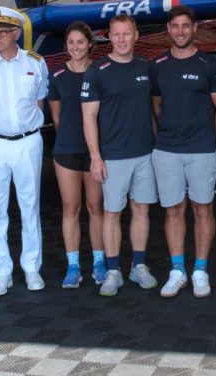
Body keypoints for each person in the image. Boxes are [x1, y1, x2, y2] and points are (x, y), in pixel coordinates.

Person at [0, 7, 49, 296]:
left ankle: (31, 268)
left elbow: (39, 102)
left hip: (28, 141)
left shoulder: (35, 62)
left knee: (30, 206)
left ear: (16, 33)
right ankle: (2, 271)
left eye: (3, 32)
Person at [150, 5, 216, 298]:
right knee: (173, 211)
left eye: (186, 26)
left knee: (203, 209)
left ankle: (200, 270)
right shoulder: (157, 65)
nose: (180, 31)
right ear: (168, 30)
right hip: (167, 150)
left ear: (195, 28)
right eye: (175, 26)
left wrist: (207, 137)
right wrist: (166, 137)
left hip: (202, 150)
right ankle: (177, 270)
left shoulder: (210, 65)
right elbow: (156, 106)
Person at [82, 15, 160, 296]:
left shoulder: (145, 67)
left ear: (136, 35)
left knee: (141, 209)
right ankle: (113, 270)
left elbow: (153, 110)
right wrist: (95, 156)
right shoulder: (97, 70)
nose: (122, 39)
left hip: (145, 154)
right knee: (112, 213)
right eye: (116, 35)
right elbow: (88, 117)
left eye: (127, 34)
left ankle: (138, 266)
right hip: (113, 156)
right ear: (109, 37)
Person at [47, 21, 106, 289]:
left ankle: (98, 262)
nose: (75, 47)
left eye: (80, 42)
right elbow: (58, 119)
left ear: (90, 44)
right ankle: (73, 267)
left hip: (95, 152)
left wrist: (95, 149)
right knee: (71, 209)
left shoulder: (101, 72)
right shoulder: (57, 76)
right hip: (67, 150)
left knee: (96, 208)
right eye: (70, 43)